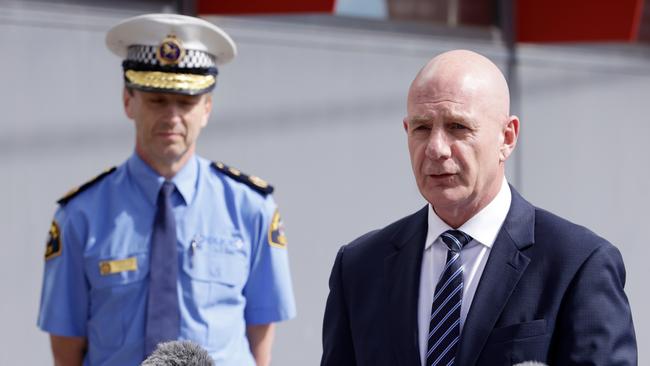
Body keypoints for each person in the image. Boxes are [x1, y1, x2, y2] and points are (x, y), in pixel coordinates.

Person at [321, 50, 637, 365]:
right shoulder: (360, 267)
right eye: (422, 128)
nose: (436, 148)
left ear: (507, 137)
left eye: (458, 127)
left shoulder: (578, 264)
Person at [37, 13, 296, 366]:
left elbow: (260, 339)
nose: (173, 116)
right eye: (157, 100)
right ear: (128, 101)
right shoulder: (79, 216)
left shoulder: (251, 208)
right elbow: (66, 347)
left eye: (187, 103)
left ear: (207, 108)